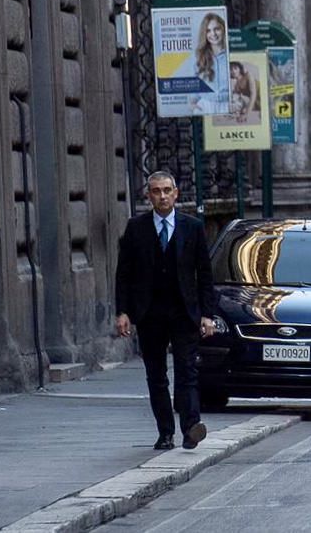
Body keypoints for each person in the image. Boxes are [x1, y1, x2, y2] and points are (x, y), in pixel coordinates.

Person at [115, 171, 218, 452]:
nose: (162, 196)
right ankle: (165, 432)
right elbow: (123, 273)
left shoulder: (193, 227)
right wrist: (123, 311)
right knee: (156, 375)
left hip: (184, 311)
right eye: (156, 191)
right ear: (148, 196)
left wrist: (207, 314)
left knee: (187, 371)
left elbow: (204, 275)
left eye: (166, 190)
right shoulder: (136, 228)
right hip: (149, 313)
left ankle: (190, 427)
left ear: (176, 194)